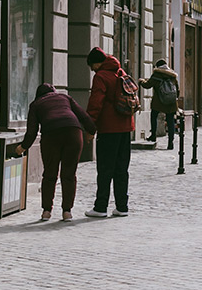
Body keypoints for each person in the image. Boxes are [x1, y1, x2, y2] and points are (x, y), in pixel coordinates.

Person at [15, 83, 95, 221]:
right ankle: (67, 212)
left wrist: (23, 147)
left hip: (51, 135)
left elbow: (32, 131)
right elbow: (84, 116)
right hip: (73, 132)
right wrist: (91, 131)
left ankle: (46, 211)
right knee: (69, 174)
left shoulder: (36, 104)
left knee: (50, 174)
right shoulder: (65, 97)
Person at [85, 47, 134, 217]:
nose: (92, 69)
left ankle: (100, 207)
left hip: (108, 128)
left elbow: (95, 104)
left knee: (105, 169)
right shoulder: (120, 72)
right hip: (126, 127)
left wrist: (90, 127)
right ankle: (122, 207)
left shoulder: (101, 76)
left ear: (97, 63)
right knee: (122, 168)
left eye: (92, 65)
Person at [140, 59, 180, 147]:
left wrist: (141, 81)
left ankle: (153, 135)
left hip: (158, 102)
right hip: (171, 103)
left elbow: (147, 85)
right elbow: (177, 90)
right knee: (170, 122)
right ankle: (170, 142)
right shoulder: (172, 75)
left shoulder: (157, 75)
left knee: (154, 115)